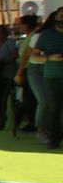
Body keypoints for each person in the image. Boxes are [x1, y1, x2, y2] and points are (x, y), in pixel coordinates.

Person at [29, 9, 63, 147]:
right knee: (53, 108)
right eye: (61, 16)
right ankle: (54, 138)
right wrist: (49, 58)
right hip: (52, 76)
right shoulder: (45, 36)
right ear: (55, 18)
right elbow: (33, 56)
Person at [13, 13, 40, 133]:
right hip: (25, 69)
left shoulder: (34, 36)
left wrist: (19, 73)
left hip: (29, 69)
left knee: (30, 98)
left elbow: (25, 55)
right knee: (27, 98)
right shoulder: (28, 37)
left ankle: (34, 123)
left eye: (21, 24)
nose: (20, 27)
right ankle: (31, 122)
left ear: (27, 25)